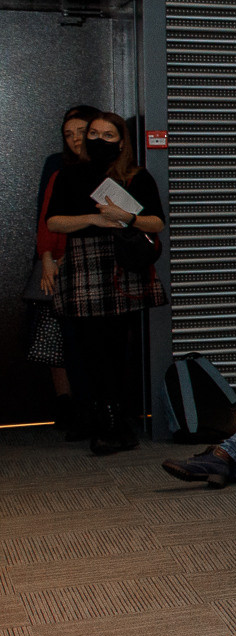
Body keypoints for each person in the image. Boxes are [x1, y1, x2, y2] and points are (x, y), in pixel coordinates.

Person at [44, 109, 165, 455]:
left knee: (117, 347)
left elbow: (156, 223)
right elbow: (53, 223)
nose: (97, 140)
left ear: (122, 141)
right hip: (83, 268)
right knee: (88, 348)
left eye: (107, 135)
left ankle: (115, 420)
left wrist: (126, 217)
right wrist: (95, 218)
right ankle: (102, 417)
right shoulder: (69, 176)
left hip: (122, 267)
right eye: (92, 134)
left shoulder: (136, 176)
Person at [29, 106, 100, 437]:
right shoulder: (57, 166)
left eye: (80, 132)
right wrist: (46, 256)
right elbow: (47, 215)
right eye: (68, 134)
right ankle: (67, 406)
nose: (74, 140)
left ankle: (96, 408)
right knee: (57, 334)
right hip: (57, 260)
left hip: (97, 264)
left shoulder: (111, 166)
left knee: (91, 341)